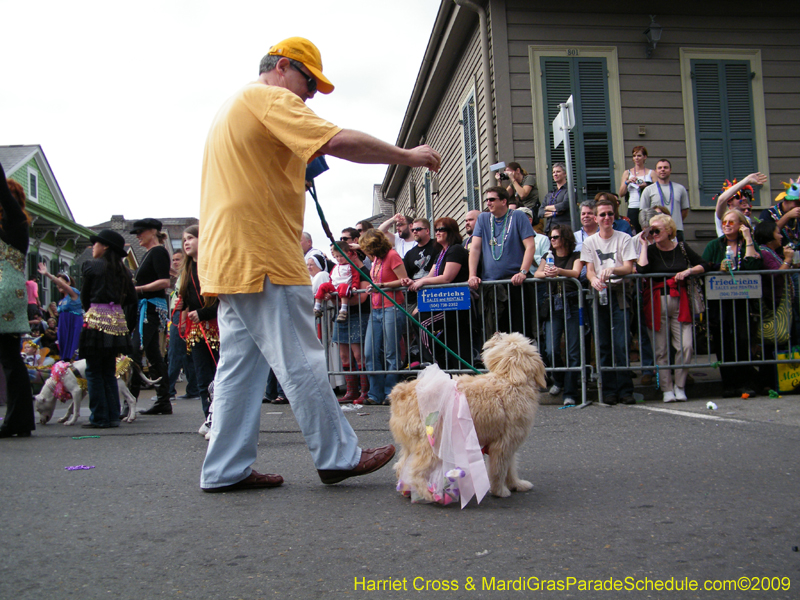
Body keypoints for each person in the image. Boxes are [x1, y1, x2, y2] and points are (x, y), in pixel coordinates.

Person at [198, 37, 440, 491]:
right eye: (308, 83)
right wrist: (407, 156)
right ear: (283, 66)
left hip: (229, 256)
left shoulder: (238, 106)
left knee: (239, 367)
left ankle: (224, 469)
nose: (309, 95)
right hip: (262, 251)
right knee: (303, 360)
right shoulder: (267, 97)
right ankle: (338, 456)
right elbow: (341, 140)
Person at [636, 214, 710, 402]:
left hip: (680, 301)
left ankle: (680, 385)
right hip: (656, 302)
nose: (653, 233)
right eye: (651, 230)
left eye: (657, 230)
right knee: (660, 350)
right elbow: (642, 270)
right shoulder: (651, 250)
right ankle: (666, 388)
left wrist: (689, 271)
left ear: (669, 231)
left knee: (686, 346)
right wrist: (644, 244)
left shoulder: (682, 248)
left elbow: (705, 264)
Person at [580, 197, 637, 405]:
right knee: (602, 342)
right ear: (596, 218)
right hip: (599, 293)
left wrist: (613, 269)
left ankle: (625, 389)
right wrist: (594, 279)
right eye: (602, 214)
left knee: (621, 342)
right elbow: (589, 270)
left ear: (615, 216)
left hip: (620, 292)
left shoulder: (624, 238)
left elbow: (629, 267)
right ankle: (608, 390)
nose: (606, 218)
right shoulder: (589, 242)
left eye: (610, 214)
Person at [78, 229, 137, 428]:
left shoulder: (92, 267)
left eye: (95, 243)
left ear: (105, 247)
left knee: (94, 370)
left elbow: (85, 297)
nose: (93, 247)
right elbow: (132, 299)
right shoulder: (123, 272)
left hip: (95, 321)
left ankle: (99, 417)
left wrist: (95, 309)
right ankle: (112, 415)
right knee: (108, 370)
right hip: (117, 323)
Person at [702, 209, 763, 398]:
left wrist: (748, 238)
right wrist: (716, 266)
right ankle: (728, 383)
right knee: (723, 342)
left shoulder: (748, 244)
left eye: (731, 222)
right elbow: (704, 265)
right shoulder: (715, 245)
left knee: (743, 340)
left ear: (740, 225)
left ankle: (745, 383)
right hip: (721, 301)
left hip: (743, 300)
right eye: (724, 222)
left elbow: (754, 265)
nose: (726, 225)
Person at [468, 186, 536, 337]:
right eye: (487, 200)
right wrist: (472, 275)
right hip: (491, 286)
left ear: (504, 201)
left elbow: (530, 246)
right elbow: (475, 249)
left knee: (519, 333)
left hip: (515, 284)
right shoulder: (484, 219)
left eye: (492, 199)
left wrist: (523, 272)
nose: (488, 203)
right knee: (495, 334)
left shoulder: (518, 216)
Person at [0, 164, 36, 438]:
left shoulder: (15, 221)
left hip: (4, 293)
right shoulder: (14, 225)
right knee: (10, 359)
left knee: (11, 359)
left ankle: (17, 420)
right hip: (9, 293)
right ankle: (18, 419)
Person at [408, 217, 472, 369]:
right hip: (442, 302)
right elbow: (431, 276)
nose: (437, 233)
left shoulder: (455, 249)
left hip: (455, 304)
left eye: (441, 229)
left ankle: (433, 363)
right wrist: (414, 282)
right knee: (418, 319)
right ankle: (436, 361)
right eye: (436, 230)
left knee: (421, 322)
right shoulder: (441, 253)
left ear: (451, 232)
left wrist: (422, 282)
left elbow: (446, 278)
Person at [176, 225, 219, 433]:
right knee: (203, 378)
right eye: (184, 239)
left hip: (216, 326)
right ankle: (209, 418)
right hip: (197, 330)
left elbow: (223, 299)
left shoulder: (212, 266)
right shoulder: (185, 271)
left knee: (221, 376)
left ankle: (221, 421)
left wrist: (203, 313)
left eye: (191, 238)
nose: (186, 242)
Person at [359, 229, 409, 405]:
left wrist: (382, 285)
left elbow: (404, 280)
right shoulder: (377, 259)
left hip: (392, 308)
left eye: (368, 248)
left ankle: (390, 393)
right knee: (370, 352)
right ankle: (375, 393)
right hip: (376, 308)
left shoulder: (392, 255)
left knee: (391, 352)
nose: (367, 252)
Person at [534, 224, 582, 405]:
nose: (552, 241)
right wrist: (547, 273)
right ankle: (560, 379)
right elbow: (538, 273)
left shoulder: (576, 255)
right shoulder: (549, 256)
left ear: (565, 238)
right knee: (550, 349)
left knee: (573, 350)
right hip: (554, 302)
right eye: (551, 238)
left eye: (555, 237)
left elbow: (576, 272)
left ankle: (571, 392)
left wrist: (559, 272)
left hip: (572, 302)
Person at [130, 218, 172, 415]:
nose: (138, 236)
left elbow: (165, 281)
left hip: (151, 308)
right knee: (153, 354)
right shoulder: (150, 253)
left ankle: (130, 401)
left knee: (135, 351)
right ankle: (163, 400)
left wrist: (138, 289)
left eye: (140, 232)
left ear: (153, 232)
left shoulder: (158, 251)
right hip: (146, 307)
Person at [167, 249, 199, 401]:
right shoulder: (181, 276)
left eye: (178, 260)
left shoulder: (187, 275)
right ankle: (193, 389)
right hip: (177, 313)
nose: (175, 262)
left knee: (175, 352)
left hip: (182, 315)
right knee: (187, 355)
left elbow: (186, 298)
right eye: (173, 260)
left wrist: (183, 320)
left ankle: (168, 390)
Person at [38, 264, 84, 361]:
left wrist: (47, 274)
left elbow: (63, 285)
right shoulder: (61, 301)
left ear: (68, 282)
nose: (58, 284)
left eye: (61, 282)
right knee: (63, 346)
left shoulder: (74, 293)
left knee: (73, 345)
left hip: (73, 323)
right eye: (57, 282)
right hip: (63, 325)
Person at [640, 159, 690, 241]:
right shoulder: (648, 190)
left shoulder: (680, 188)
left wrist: (672, 222)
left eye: (665, 167)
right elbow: (643, 212)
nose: (662, 169)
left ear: (670, 170)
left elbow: (684, 210)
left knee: (680, 253)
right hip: (656, 231)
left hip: (676, 230)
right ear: (656, 171)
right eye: (660, 168)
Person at [314, 244, 361, 322]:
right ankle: (317, 307)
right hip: (334, 288)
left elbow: (355, 278)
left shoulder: (352, 266)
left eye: (341, 256)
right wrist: (327, 289)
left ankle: (343, 310)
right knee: (322, 285)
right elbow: (331, 278)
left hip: (344, 288)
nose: (339, 258)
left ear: (348, 254)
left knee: (343, 286)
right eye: (337, 256)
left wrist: (355, 286)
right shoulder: (335, 267)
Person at [401, 218, 440, 311]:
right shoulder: (409, 254)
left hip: (434, 295)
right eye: (412, 230)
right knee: (412, 323)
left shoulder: (438, 245)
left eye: (418, 229)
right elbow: (405, 276)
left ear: (427, 230)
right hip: (414, 297)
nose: (414, 232)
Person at [618, 146, 653, 233]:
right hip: (633, 206)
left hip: (647, 207)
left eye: (639, 155)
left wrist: (646, 185)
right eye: (634, 156)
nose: (636, 158)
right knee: (634, 232)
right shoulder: (627, 173)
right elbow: (621, 193)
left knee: (648, 231)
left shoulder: (651, 173)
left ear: (644, 157)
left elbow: (658, 190)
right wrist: (627, 182)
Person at [759, 179, 800, 248]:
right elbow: (766, 235)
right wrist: (787, 216)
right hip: (776, 256)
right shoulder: (768, 213)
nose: (799, 206)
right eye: (797, 203)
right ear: (787, 199)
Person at [538, 162, 571, 234]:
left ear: (565, 174)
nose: (555, 174)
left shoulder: (570, 190)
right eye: (553, 172)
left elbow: (564, 206)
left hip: (563, 230)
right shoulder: (550, 193)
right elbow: (540, 212)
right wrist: (555, 213)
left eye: (558, 171)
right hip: (549, 230)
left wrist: (547, 208)